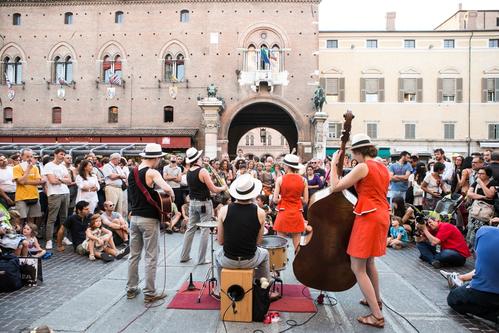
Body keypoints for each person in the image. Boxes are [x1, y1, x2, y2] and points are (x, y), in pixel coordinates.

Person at [330, 133, 390, 328]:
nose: (352, 156)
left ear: (358, 151)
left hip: (368, 217)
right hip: (381, 214)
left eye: (353, 153)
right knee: (370, 261)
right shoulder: (382, 166)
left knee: (358, 267)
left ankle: (376, 315)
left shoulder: (363, 166)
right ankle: (376, 300)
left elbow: (336, 187)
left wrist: (333, 165)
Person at [127, 143, 175, 303]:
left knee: (134, 255)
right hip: (149, 220)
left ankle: (131, 289)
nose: (160, 161)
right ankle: (149, 293)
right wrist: (170, 194)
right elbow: (168, 189)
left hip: (134, 218)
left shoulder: (132, 172)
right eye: (159, 158)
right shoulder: (152, 172)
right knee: (151, 256)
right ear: (155, 158)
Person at [214, 174, 271, 298]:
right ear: (252, 193)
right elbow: (258, 242)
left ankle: (220, 289)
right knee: (265, 254)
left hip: (228, 260)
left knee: (216, 254)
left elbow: (220, 241)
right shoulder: (260, 212)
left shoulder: (223, 210)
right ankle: (263, 288)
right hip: (249, 260)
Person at [179, 147, 227, 265]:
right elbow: (214, 189)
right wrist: (223, 187)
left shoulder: (189, 171)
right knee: (205, 230)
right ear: (198, 159)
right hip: (204, 203)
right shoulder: (202, 171)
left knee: (190, 229)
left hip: (193, 203)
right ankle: (201, 259)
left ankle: (184, 256)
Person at [447, 226, 499, 324]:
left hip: (482, 291)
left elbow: (483, 264)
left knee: (453, 298)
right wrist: (462, 277)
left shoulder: (484, 231)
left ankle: (493, 316)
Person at [273, 154, 308, 250]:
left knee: (280, 244)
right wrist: (297, 198)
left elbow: (275, 200)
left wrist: (281, 198)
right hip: (297, 212)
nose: (283, 166)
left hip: (283, 212)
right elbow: (305, 201)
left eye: (284, 165)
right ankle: (297, 263)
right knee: (297, 244)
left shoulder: (280, 179)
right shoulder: (303, 180)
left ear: (287, 166)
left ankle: (281, 263)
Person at [42, 148, 72, 251]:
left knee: (64, 217)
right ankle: (48, 240)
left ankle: (63, 237)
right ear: (55, 154)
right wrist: (62, 180)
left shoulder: (63, 167)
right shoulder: (48, 165)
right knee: (52, 218)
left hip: (65, 193)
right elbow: (52, 181)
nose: (63, 156)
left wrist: (59, 179)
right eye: (61, 154)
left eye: (64, 154)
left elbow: (69, 180)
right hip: (54, 194)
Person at [465, 166, 497, 249]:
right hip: (475, 210)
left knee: (481, 231)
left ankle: (479, 248)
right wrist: (482, 197)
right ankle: (470, 247)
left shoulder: (493, 183)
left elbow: (490, 195)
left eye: (482, 173)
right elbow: (469, 194)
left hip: (486, 212)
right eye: (478, 173)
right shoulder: (475, 183)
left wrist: (481, 183)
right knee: (470, 229)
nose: (479, 175)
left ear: (488, 175)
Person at [13, 148, 46, 224]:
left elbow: (38, 182)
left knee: (32, 220)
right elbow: (20, 181)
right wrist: (27, 170)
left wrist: (25, 181)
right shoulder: (16, 168)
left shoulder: (35, 167)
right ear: (21, 157)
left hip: (34, 196)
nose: (29, 159)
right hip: (21, 197)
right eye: (27, 156)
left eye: (31, 156)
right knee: (20, 219)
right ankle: (20, 236)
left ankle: (30, 235)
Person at [103, 153, 127, 217]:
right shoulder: (107, 166)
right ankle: (109, 223)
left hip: (119, 188)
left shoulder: (118, 167)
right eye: (118, 160)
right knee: (111, 208)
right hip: (111, 188)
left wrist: (118, 176)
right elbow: (112, 176)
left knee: (119, 209)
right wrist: (119, 176)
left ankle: (118, 223)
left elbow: (124, 176)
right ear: (114, 159)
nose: (119, 161)